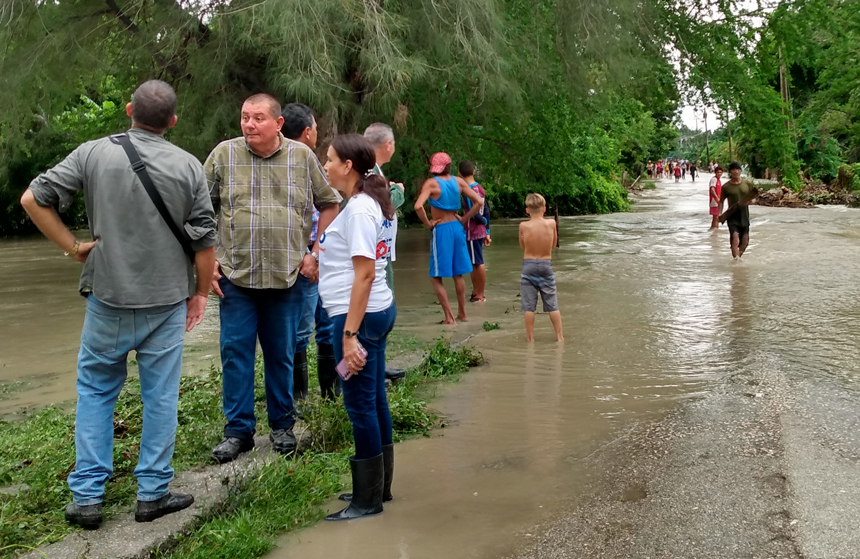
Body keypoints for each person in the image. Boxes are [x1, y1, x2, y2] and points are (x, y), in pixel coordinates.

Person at [20, 80, 217, 528]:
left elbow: (33, 198)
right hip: (167, 302)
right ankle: (152, 493)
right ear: (173, 121)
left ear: (129, 110)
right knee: (160, 396)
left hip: (107, 299)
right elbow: (205, 240)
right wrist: (201, 293)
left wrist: (73, 247)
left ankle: (87, 498)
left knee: (95, 392)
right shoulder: (188, 165)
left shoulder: (92, 153)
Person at [205, 94, 342, 463]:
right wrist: (205, 261)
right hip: (235, 276)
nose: (249, 124)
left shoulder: (302, 157)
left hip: (287, 277)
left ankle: (282, 425)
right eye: (245, 117)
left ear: (278, 124)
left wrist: (315, 253)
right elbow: (199, 208)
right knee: (235, 354)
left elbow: (330, 202)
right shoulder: (223, 155)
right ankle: (238, 432)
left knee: (281, 354)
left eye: (258, 118)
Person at [318, 134, 397, 520]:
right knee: (374, 400)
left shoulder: (361, 208)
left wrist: (349, 335)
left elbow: (364, 275)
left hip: (359, 318)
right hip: (370, 313)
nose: (326, 164)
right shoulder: (361, 204)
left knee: (360, 405)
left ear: (348, 166)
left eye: (330, 159)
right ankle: (378, 487)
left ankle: (368, 501)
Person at [281, 103, 339, 402]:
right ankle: (311, 397)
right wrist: (314, 255)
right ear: (307, 132)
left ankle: (311, 396)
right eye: (315, 128)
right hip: (309, 257)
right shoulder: (307, 163)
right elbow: (329, 207)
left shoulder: (282, 161)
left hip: (309, 255)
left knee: (311, 327)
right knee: (312, 328)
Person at [414, 153, 484, 324]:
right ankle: (462, 314)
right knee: (457, 274)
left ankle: (449, 317)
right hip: (457, 228)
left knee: (436, 277)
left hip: (442, 230)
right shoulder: (458, 182)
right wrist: (465, 219)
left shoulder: (431, 183)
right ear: (450, 166)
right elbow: (479, 202)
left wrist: (428, 224)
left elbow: (418, 206)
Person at [364, 122, 407, 381]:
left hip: (380, 248)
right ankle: (372, 368)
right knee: (379, 303)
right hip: (374, 251)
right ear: (388, 145)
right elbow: (385, 205)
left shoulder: (371, 169)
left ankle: (378, 363)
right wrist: (398, 192)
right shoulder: (370, 171)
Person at [519, 193, 563, 342]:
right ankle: (559, 337)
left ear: (527, 210)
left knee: (529, 306)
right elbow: (553, 244)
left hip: (528, 265)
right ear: (544, 208)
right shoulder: (551, 223)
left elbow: (522, 246)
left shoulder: (523, 226)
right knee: (552, 303)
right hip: (546, 264)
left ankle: (530, 339)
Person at [458, 160, 491, 302]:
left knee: (477, 262)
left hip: (472, 230)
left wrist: (462, 219)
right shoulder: (480, 188)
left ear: (459, 174)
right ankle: (476, 291)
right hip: (481, 230)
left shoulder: (468, 190)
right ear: (473, 172)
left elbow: (476, 211)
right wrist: (487, 229)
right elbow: (487, 210)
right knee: (475, 261)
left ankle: (480, 294)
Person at [719, 161, 758, 260]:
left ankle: (737, 257)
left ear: (740, 171)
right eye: (733, 170)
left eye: (737, 169)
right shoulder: (726, 187)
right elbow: (721, 201)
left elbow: (755, 197)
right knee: (735, 236)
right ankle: (736, 260)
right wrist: (719, 214)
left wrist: (751, 202)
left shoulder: (747, 184)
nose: (736, 172)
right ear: (730, 172)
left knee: (745, 241)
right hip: (732, 215)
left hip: (744, 215)